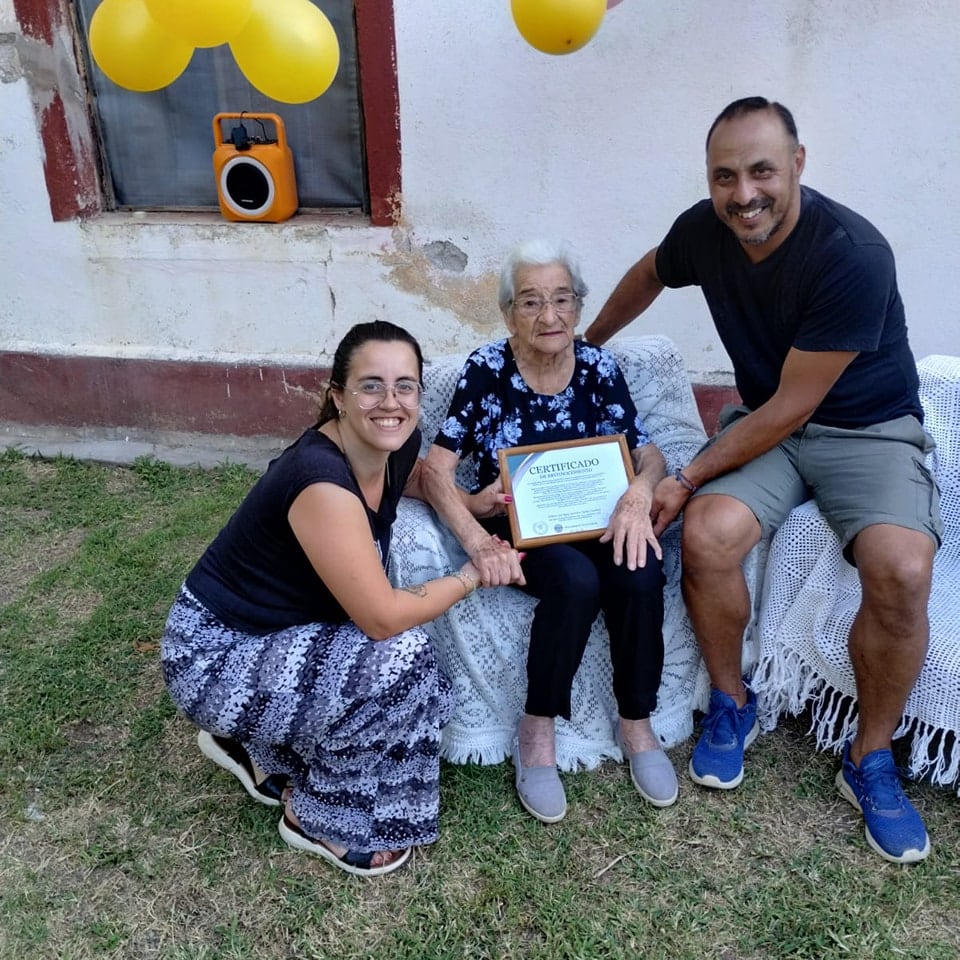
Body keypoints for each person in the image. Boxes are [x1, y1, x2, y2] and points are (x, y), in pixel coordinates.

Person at [584, 97, 943, 863]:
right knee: (711, 536)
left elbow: (794, 406)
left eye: (761, 171)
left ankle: (869, 758)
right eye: (725, 176)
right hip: (772, 422)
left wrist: (682, 478)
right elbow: (650, 270)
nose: (743, 193)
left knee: (904, 569)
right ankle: (730, 703)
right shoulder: (704, 231)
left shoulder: (851, 251)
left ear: (798, 165)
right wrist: (586, 347)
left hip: (865, 428)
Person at [161, 320, 518, 877]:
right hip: (212, 657)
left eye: (406, 386)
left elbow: (420, 478)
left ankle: (254, 745)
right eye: (371, 385)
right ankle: (315, 816)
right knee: (400, 659)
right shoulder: (320, 481)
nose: (391, 402)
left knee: (409, 672)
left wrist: (470, 505)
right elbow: (380, 618)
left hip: (275, 638)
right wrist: (473, 573)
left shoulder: (393, 442)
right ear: (338, 397)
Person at [421, 240, 678, 823]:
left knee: (640, 570)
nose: (550, 316)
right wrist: (478, 538)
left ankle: (635, 723)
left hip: (598, 515)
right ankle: (536, 728)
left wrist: (639, 492)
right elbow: (434, 470)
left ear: (580, 306)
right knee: (575, 581)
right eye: (532, 302)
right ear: (510, 313)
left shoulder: (596, 366)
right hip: (523, 527)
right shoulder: (488, 371)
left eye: (562, 300)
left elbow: (649, 454)